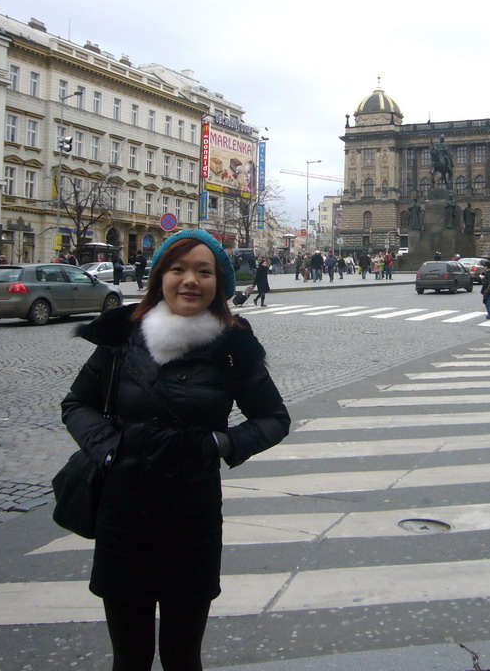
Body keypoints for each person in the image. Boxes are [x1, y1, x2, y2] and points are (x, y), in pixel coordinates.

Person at [61, 229, 290, 671]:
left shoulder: (232, 346)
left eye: (204, 272)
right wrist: (108, 447)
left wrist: (220, 443)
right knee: (129, 657)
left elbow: (274, 419)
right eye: (178, 269)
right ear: (160, 277)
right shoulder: (124, 336)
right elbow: (78, 403)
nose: (190, 280)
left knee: (184, 657)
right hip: (123, 515)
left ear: (218, 283)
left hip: (192, 518)